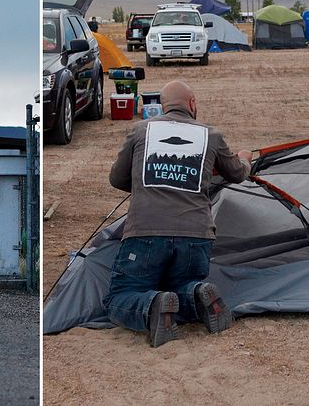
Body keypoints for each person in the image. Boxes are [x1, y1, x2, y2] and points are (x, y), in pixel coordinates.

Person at [103, 80, 252, 347]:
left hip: (145, 233)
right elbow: (237, 174)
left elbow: (116, 178)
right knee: (182, 285)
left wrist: (145, 184)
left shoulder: (140, 131)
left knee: (120, 296)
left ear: (161, 106)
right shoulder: (211, 135)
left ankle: (154, 305)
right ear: (192, 103)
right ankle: (197, 295)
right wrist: (245, 158)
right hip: (196, 238)